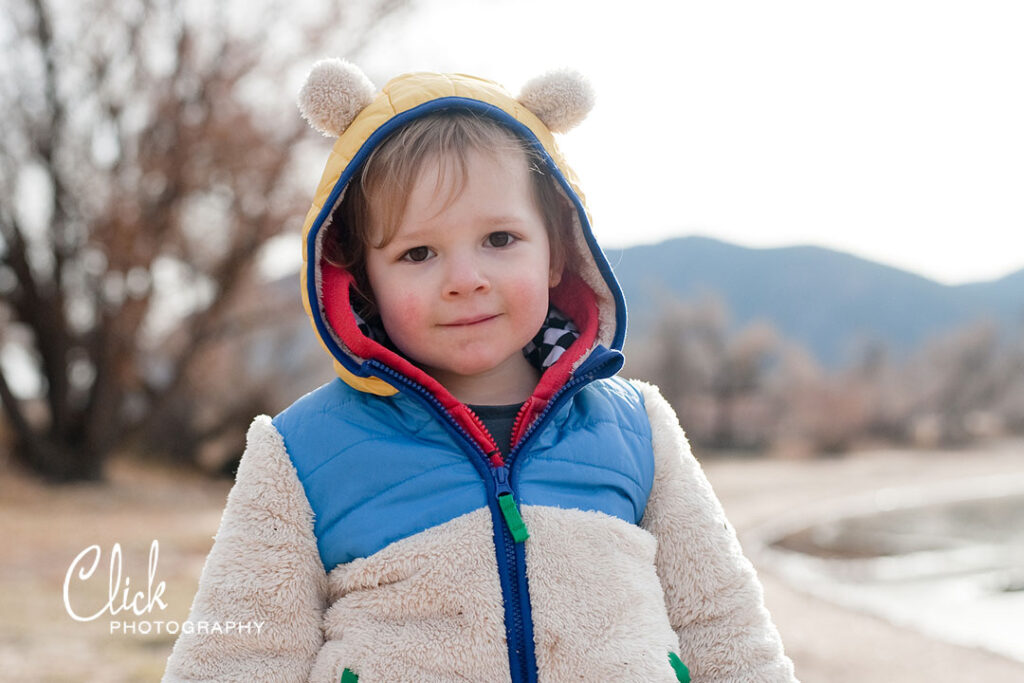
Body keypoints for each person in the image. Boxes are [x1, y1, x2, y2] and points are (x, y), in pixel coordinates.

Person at [162, 61, 797, 682]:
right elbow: (237, 659)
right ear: (359, 280)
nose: (466, 280)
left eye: (499, 239)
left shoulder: (639, 431)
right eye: (418, 252)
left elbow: (725, 628)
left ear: (557, 251)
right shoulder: (299, 455)